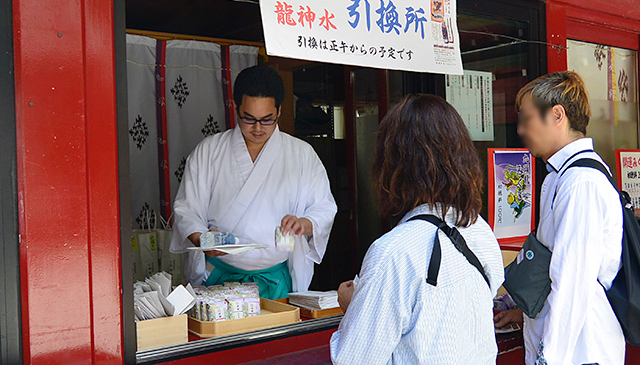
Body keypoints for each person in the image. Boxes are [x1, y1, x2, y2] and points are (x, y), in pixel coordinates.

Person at [330, 94, 504, 364]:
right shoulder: (479, 229)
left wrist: (354, 307)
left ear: (392, 165)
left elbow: (354, 359)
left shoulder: (393, 251)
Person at [169, 65, 337, 299]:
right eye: (249, 119)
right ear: (236, 109)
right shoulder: (208, 151)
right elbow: (187, 210)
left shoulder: (301, 154)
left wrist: (304, 223)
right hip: (218, 277)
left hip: (277, 278)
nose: (258, 128)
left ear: (279, 111)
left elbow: (324, 207)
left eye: (266, 120)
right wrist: (202, 239)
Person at [497, 71, 624, 364]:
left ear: (556, 115)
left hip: (580, 351)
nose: (520, 130)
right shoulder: (562, 176)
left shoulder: (580, 182)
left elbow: (571, 281)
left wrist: (550, 357)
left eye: (526, 118)